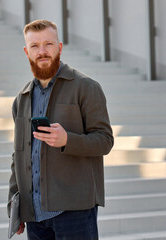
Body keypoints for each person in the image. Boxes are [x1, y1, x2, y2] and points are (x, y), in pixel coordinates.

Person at [8, 19, 114, 240]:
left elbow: (105, 140)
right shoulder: (22, 98)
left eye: (48, 44)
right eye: (35, 46)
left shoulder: (86, 87)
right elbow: (18, 156)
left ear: (60, 47)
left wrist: (68, 140)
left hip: (74, 210)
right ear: (27, 52)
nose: (42, 51)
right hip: (35, 214)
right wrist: (15, 205)